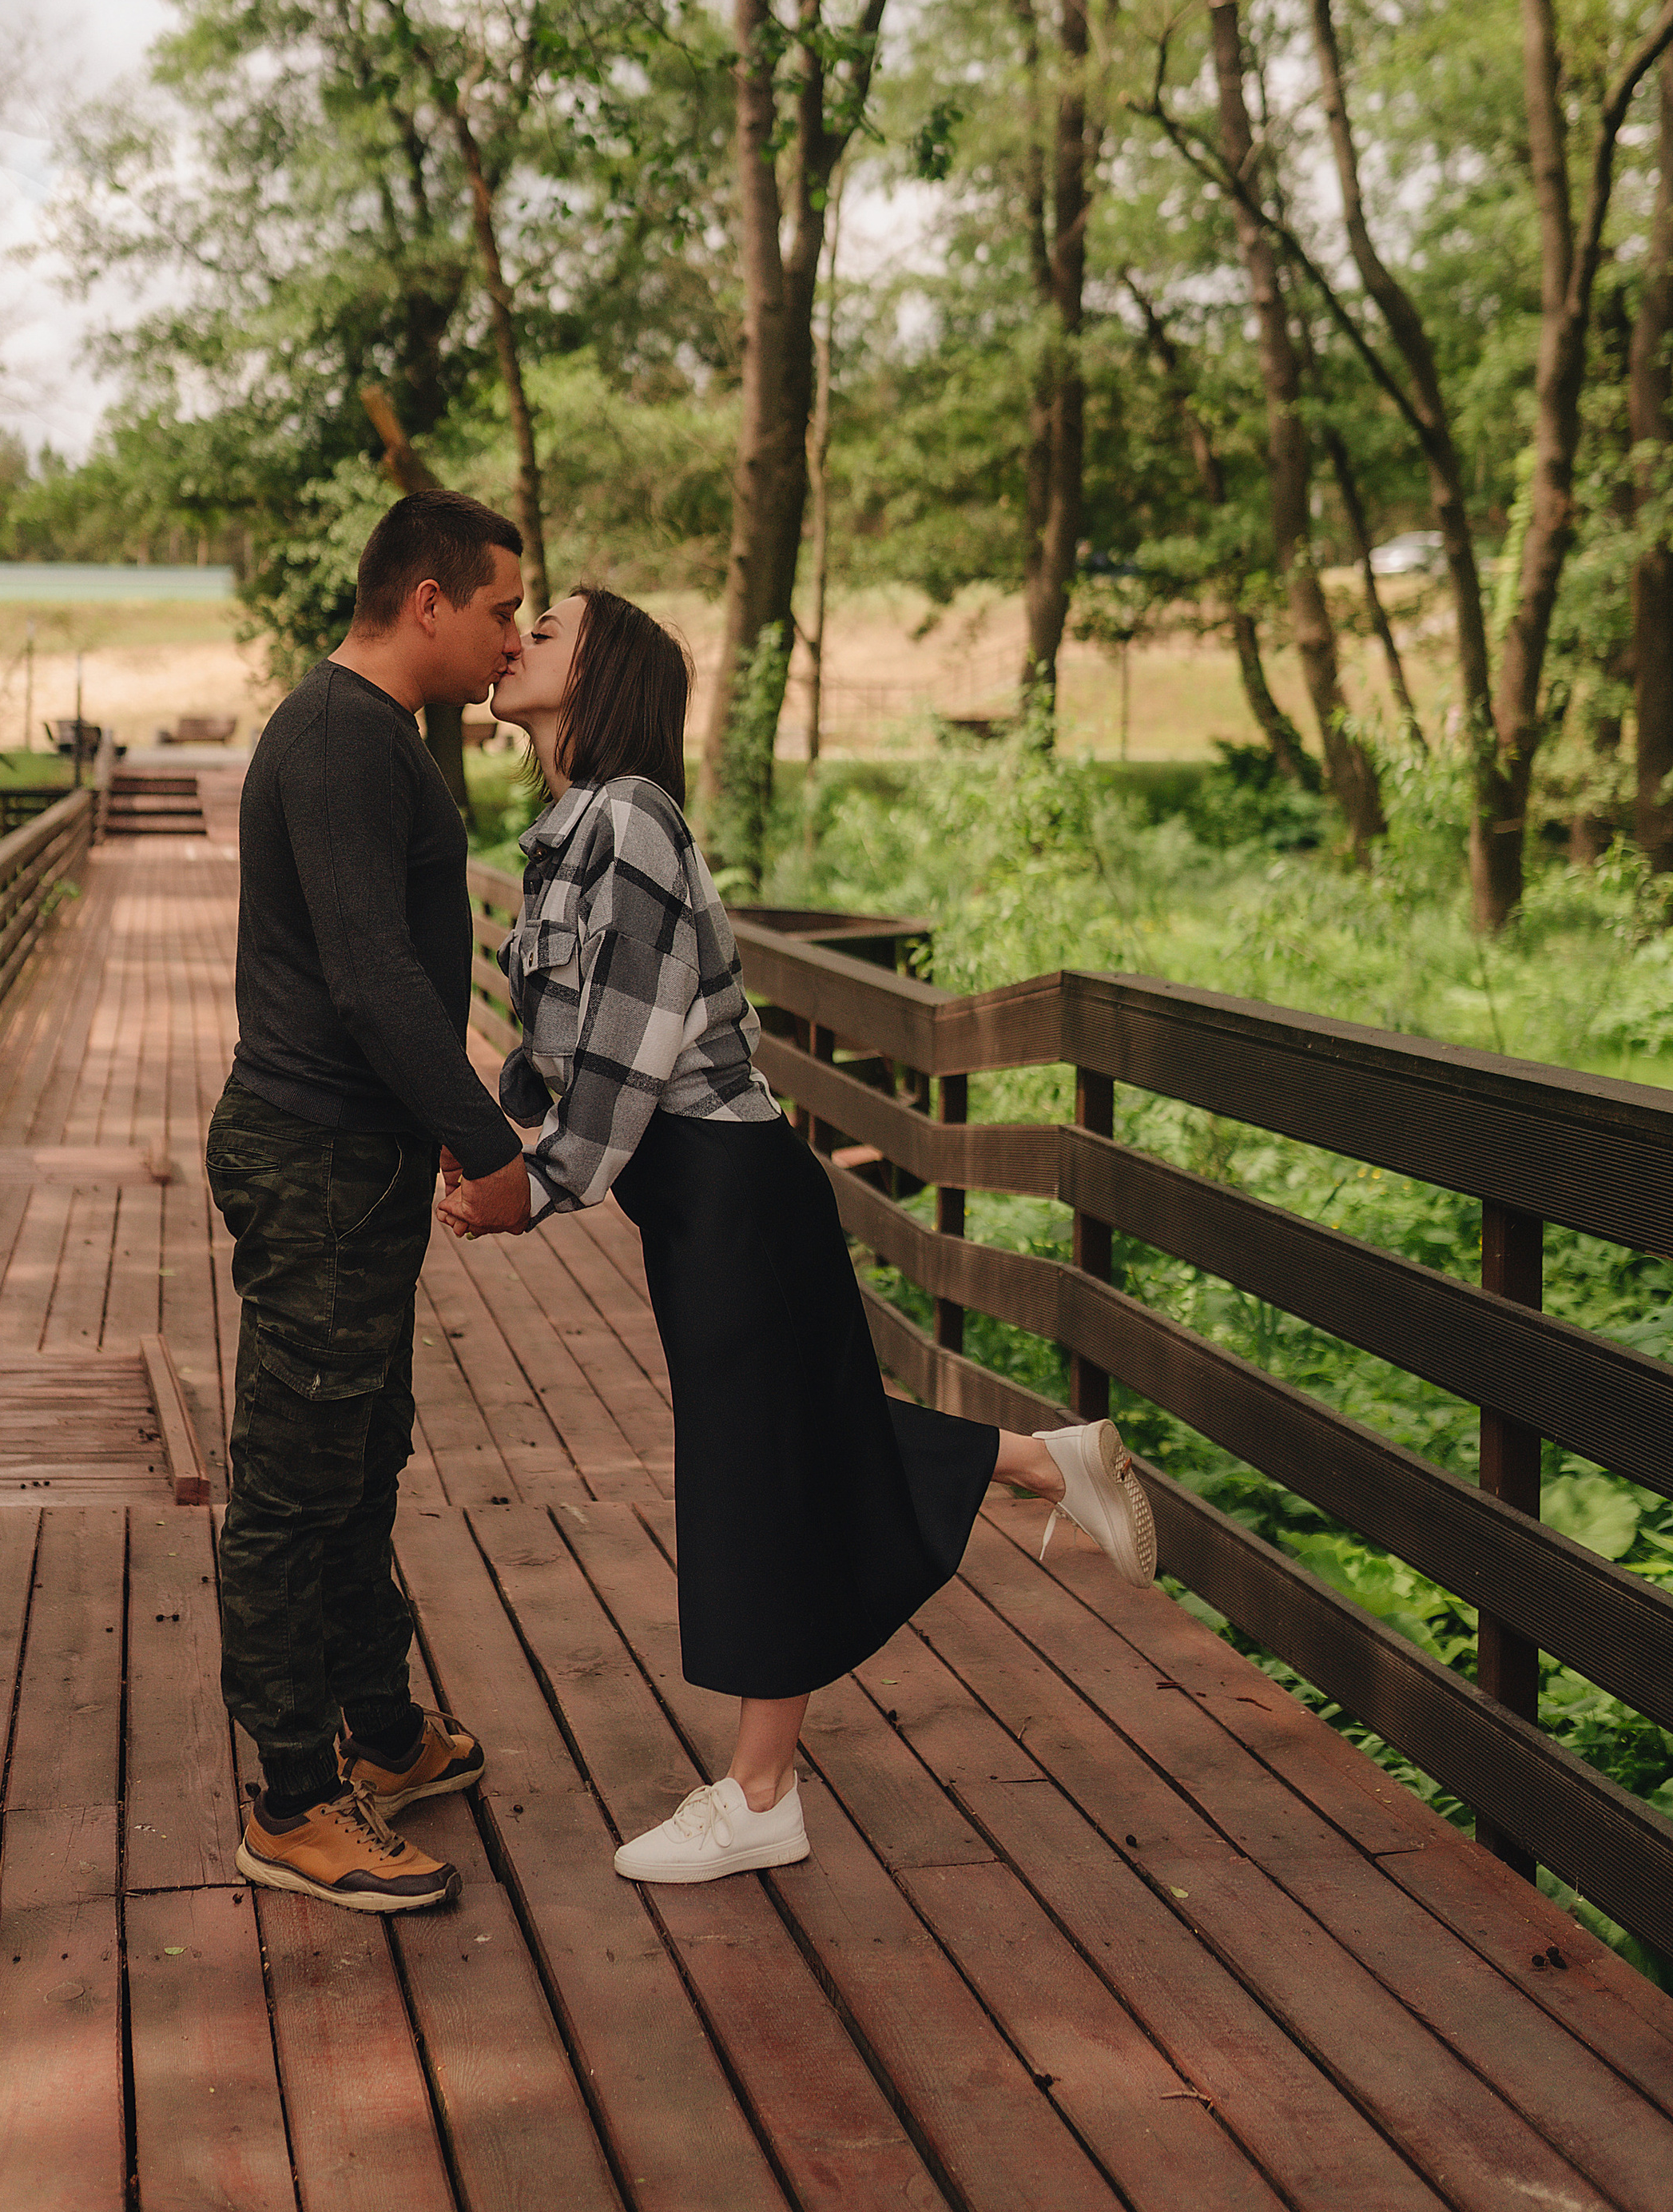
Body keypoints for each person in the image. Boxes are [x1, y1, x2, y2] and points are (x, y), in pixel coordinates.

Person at [440, 585, 1157, 1888]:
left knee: (756, 1470)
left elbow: (628, 1057)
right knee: (797, 1436)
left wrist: (531, 1189)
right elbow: (560, 1047)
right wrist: (489, 1137)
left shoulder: (635, 822)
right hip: (710, 1191)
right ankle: (1046, 1467)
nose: (515, 636)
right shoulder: (571, 827)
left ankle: (762, 1791)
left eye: (546, 628)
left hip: (731, 1187)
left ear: (599, 678)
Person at [209, 490, 531, 1915]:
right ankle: (290, 1796)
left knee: (357, 1454)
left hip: (358, 1163)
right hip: (318, 1158)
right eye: (503, 607)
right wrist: (489, 1138)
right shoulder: (341, 741)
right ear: (428, 604)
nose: (512, 632)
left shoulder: (370, 736)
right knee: (294, 1481)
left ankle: (382, 1732)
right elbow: (372, 979)